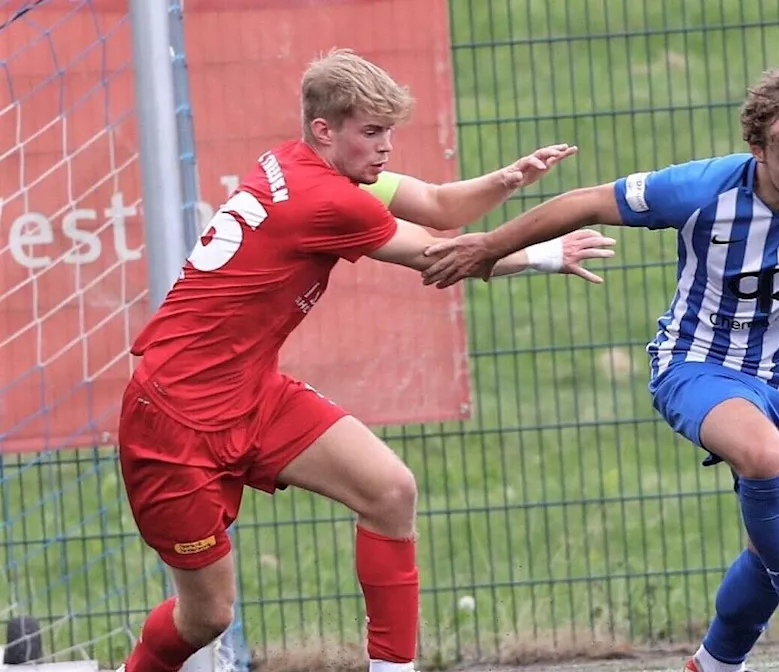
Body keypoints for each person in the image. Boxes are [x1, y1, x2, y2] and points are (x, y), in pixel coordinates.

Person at [415, 65, 779, 672]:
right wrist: (487, 246)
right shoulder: (702, 189)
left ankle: (714, 663)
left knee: (772, 550)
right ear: (758, 150)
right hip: (696, 364)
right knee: (763, 460)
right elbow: (585, 202)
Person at [114, 48, 614, 672]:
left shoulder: (300, 162)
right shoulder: (326, 200)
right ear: (325, 130)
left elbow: (435, 204)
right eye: (371, 132)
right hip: (174, 420)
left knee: (390, 490)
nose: (384, 147)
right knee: (207, 616)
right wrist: (543, 253)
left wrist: (508, 179)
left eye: (389, 132)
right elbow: (438, 254)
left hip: (251, 393)